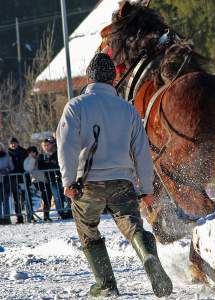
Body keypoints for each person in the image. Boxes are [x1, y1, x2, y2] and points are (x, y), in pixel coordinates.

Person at [57, 53, 172, 297]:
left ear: (89, 77)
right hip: (123, 181)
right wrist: (147, 191)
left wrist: (68, 182)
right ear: (114, 78)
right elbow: (141, 152)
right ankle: (148, 256)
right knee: (132, 226)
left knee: (88, 230)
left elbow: (66, 145)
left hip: (87, 183)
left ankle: (106, 285)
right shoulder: (128, 110)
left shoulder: (75, 106)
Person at [38, 138, 70, 219]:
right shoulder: (41, 156)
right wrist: (48, 164)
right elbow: (40, 167)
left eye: (47, 145)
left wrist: (48, 163)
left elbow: (57, 164)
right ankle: (61, 213)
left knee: (67, 196)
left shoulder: (57, 153)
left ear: (52, 145)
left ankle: (70, 211)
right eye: (44, 146)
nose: (46, 147)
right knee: (57, 198)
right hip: (50, 180)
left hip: (61, 178)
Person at [24, 146, 52, 222]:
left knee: (47, 199)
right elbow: (27, 168)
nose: (32, 154)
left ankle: (46, 216)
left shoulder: (40, 159)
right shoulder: (27, 160)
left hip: (44, 181)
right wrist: (32, 159)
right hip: (34, 182)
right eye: (30, 152)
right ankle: (31, 217)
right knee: (33, 201)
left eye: (33, 152)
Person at [8, 137, 27, 224]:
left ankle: (30, 215)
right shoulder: (7, 154)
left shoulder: (23, 152)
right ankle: (19, 217)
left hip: (23, 177)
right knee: (16, 200)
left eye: (14, 143)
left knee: (26, 198)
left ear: (17, 143)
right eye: (11, 143)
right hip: (13, 179)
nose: (13, 145)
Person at [0, 143, 13, 225]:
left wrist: (6, 170)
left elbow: (11, 167)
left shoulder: (6, 156)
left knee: (5, 200)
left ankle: (7, 218)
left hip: (5, 180)